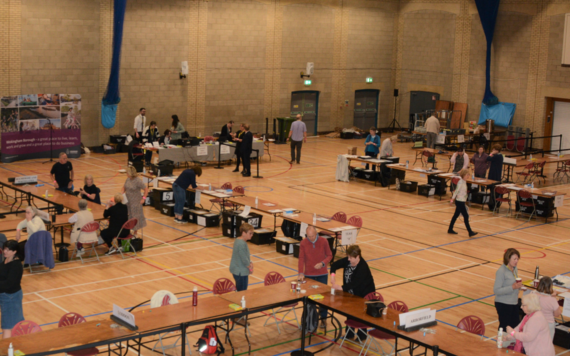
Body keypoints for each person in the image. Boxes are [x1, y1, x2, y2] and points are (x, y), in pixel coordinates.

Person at [330, 245, 375, 340]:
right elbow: (334, 265)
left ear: (357, 256)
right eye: (348, 257)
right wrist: (333, 276)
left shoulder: (362, 267)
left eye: (350, 257)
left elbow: (355, 283)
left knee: (361, 314)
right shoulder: (348, 260)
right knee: (349, 311)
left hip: (364, 293)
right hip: (351, 293)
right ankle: (349, 334)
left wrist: (340, 287)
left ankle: (362, 335)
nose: (348, 259)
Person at [298, 226, 332, 329]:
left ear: (316, 234)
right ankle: (309, 319)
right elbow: (301, 258)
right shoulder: (303, 243)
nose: (311, 238)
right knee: (309, 299)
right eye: (309, 236)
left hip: (322, 274)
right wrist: (300, 272)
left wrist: (323, 263)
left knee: (323, 298)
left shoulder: (324, 241)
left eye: (313, 236)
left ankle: (323, 319)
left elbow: (330, 255)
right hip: (309, 275)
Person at [0, 240, 24, 339]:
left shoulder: (16, 265)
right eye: (5, 249)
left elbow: (9, 284)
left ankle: (7, 352)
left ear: (14, 252)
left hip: (11, 297)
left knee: (8, 326)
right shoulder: (5, 260)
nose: (5, 251)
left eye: (8, 250)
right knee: (12, 325)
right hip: (4, 295)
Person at [494, 248, 522, 331]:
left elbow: (514, 283)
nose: (516, 261)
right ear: (508, 259)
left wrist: (520, 287)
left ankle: (512, 343)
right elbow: (497, 290)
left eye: (517, 259)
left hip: (513, 302)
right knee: (504, 327)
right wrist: (512, 287)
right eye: (514, 259)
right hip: (503, 303)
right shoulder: (501, 271)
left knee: (515, 327)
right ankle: (501, 343)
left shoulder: (515, 268)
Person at [448, 168, 477, 237]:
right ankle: (470, 232)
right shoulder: (460, 182)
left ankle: (450, 229)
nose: (468, 176)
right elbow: (456, 191)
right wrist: (452, 200)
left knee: (455, 215)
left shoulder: (464, 182)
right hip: (459, 202)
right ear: (463, 175)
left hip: (461, 201)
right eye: (467, 175)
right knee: (466, 216)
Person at [122, 166, 148, 237]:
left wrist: (143, 198)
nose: (126, 174)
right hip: (128, 201)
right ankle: (128, 231)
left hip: (136, 202)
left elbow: (146, 189)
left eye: (127, 172)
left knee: (135, 217)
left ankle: (135, 233)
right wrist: (122, 192)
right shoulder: (128, 179)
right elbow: (124, 186)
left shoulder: (137, 180)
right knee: (129, 216)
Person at [229, 223, 254, 291]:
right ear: (243, 233)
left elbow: (244, 256)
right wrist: (250, 266)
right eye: (250, 233)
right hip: (241, 272)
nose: (252, 235)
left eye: (252, 233)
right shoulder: (241, 244)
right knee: (242, 292)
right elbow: (244, 259)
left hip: (238, 271)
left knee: (240, 292)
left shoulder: (238, 240)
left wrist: (250, 263)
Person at [487, 144, 505, 210]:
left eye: (494, 150)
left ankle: (493, 204)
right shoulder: (498, 156)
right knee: (492, 191)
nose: (492, 151)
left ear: (497, 150)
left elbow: (488, 158)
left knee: (494, 190)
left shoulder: (498, 156)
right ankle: (492, 203)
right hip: (494, 174)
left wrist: (491, 153)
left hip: (495, 175)